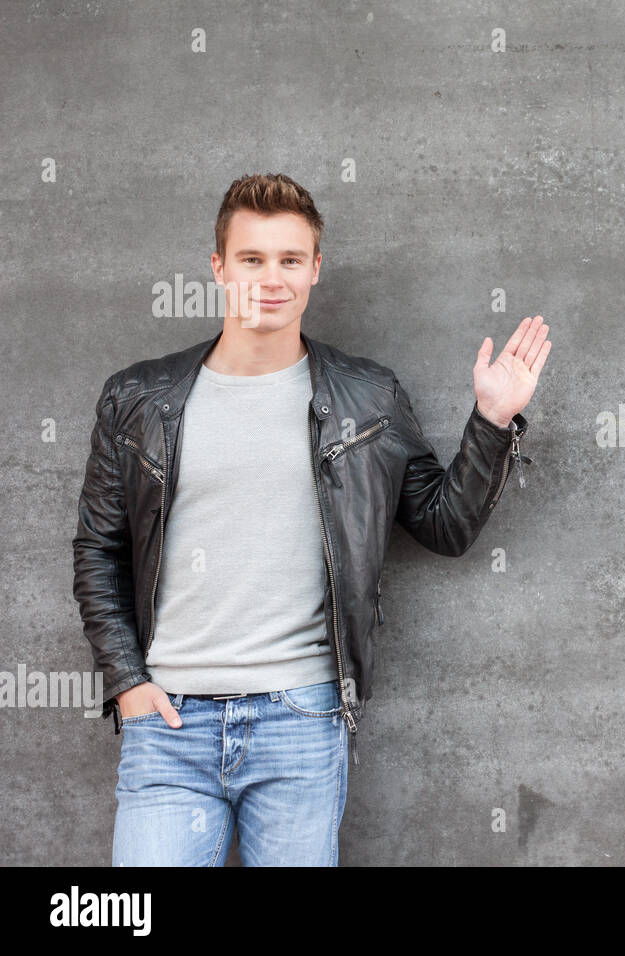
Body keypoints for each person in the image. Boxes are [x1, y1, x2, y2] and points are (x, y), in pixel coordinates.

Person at [71, 172, 551, 865]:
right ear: (218, 266)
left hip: (301, 719)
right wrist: (128, 683)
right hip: (170, 722)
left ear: (315, 269)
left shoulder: (367, 395)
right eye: (252, 258)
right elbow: (99, 549)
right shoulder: (139, 399)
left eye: (290, 260)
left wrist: (493, 420)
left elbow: (445, 526)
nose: (271, 278)